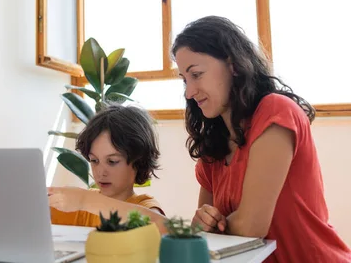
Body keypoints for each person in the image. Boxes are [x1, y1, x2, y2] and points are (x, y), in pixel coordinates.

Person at [172, 15, 351, 262]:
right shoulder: (212, 150)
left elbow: (252, 226)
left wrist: (219, 226)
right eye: (184, 79)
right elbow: (209, 234)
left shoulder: (276, 111)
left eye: (197, 74)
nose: (189, 92)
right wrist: (202, 222)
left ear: (233, 65)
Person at [48, 103, 167, 231]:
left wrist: (84, 201)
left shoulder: (144, 205)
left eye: (112, 161)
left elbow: (165, 229)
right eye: (94, 160)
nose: (100, 172)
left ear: (138, 162)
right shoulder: (80, 208)